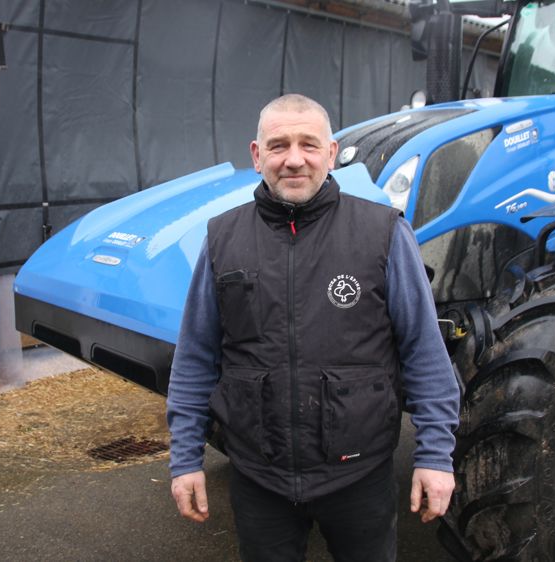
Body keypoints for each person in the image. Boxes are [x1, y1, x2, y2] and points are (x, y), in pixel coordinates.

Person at [166, 94, 460, 562]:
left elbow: (423, 351)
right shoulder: (222, 238)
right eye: (279, 145)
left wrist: (434, 456)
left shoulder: (382, 232)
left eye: (309, 144)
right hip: (260, 478)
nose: (295, 159)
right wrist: (185, 460)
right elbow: (196, 358)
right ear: (257, 155)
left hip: (358, 476)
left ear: (332, 152)